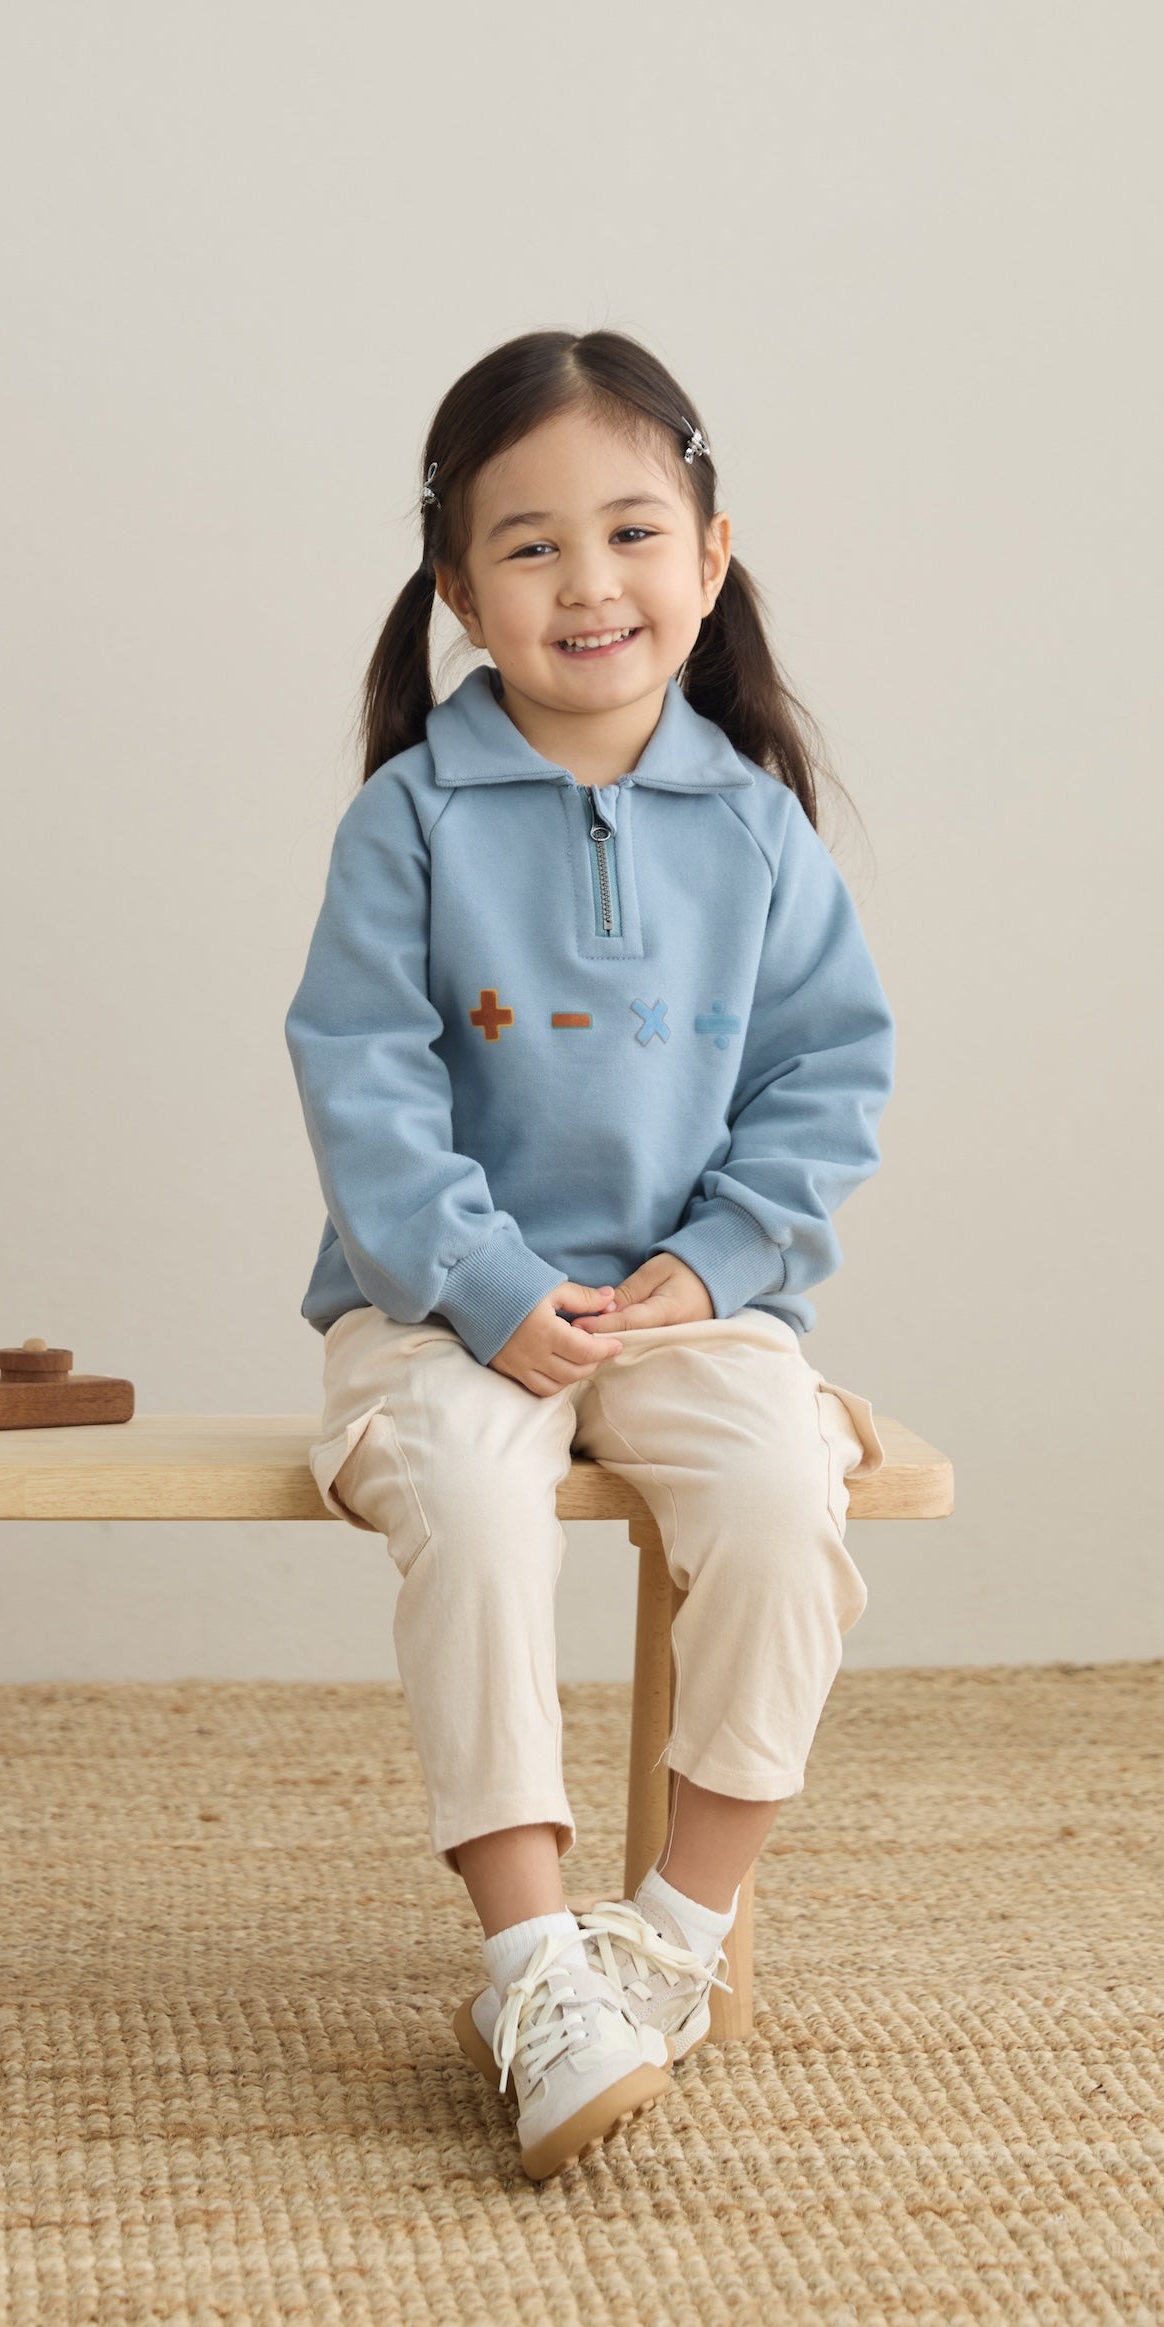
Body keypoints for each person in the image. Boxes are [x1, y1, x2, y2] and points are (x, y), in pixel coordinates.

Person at [286, 328, 894, 2182]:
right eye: (530, 544)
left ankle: (674, 1945)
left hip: (687, 1306)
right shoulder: (411, 820)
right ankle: (535, 1962)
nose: (589, 582)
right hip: (438, 1310)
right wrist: (482, 1290)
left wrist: (714, 1274)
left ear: (710, 559)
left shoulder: (762, 831)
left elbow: (825, 1076)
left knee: (790, 1486)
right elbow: (363, 1079)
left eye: (633, 531)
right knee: (471, 1508)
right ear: (460, 588)